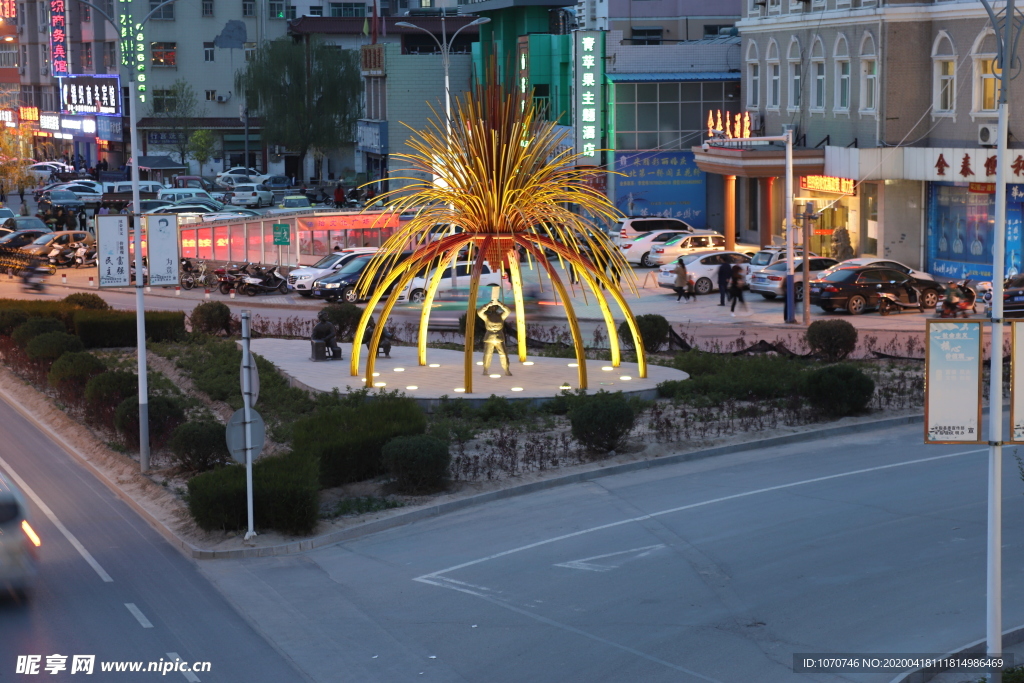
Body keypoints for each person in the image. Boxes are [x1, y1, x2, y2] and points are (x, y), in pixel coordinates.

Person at [477, 286, 512, 375]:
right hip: (489, 337)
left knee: (503, 354)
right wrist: (488, 304)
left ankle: (506, 370)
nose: (493, 308)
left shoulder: (500, 316)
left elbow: (508, 311)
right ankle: (485, 370)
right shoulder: (487, 316)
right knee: (487, 354)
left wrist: (500, 303)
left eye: (495, 307)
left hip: (499, 337)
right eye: (492, 307)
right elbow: (479, 312)